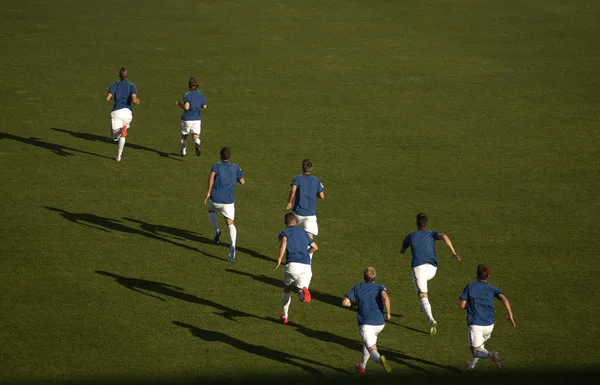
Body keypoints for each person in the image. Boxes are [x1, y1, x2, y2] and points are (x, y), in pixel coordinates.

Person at [400, 213, 462, 335]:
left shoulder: (411, 236)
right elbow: (444, 236)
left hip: (419, 269)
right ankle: (423, 305)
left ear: (417, 223)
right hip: (433, 269)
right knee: (422, 290)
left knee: (423, 295)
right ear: (426, 223)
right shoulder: (432, 234)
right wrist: (453, 252)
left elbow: (401, 251)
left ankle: (431, 319)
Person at [460, 264, 516, 370]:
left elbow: (462, 305)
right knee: (480, 347)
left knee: (475, 351)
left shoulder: (469, 287)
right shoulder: (492, 289)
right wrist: (510, 314)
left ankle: (492, 356)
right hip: (489, 325)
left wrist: (469, 307)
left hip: (476, 324)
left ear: (476, 275)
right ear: (488, 276)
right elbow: (504, 299)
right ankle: (471, 366)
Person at [342, 267, 392, 374]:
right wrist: (388, 313)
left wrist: (355, 303)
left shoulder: (358, 287)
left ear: (364, 277)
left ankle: (380, 360)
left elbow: (345, 303)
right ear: (375, 277)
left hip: (366, 325)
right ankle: (362, 366)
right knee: (367, 343)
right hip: (380, 323)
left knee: (372, 349)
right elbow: (386, 298)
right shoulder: (380, 287)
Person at [275, 212, 318, 324]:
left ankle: (285, 316)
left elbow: (284, 242)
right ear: (296, 221)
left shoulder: (285, 232)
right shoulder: (304, 233)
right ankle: (303, 293)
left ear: (286, 223)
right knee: (300, 291)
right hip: (306, 267)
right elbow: (315, 247)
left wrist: (280, 258)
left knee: (286, 288)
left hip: (292, 265)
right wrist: (306, 253)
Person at [204, 147, 245, 261]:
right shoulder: (235, 167)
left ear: (220, 156)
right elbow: (242, 182)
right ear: (230, 156)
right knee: (230, 223)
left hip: (215, 199)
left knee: (211, 211)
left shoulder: (216, 166)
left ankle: (217, 230)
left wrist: (208, 192)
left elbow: (211, 176)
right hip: (228, 202)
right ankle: (232, 246)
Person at [285, 159, 324, 259]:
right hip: (310, 214)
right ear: (311, 168)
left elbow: (293, 190)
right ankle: (307, 260)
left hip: (297, 212)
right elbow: (322, 195)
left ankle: (290, 255)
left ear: (302, 167)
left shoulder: (297, 178)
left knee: (291, 233)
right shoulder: (316, 180)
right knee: (309, 237)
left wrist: (289, 202)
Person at [105, 67, 140, 162]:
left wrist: (110, 94)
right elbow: (134, 100)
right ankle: (118, 156)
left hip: (117, 111)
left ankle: (121, 131)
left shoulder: (115, 85)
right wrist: (137, 101)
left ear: (119, 75)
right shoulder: (132, 85)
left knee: (114, 136)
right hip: (128, 112)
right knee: (123, 136)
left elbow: (107, 98)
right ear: (127, 76)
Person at [175, 77, 207, 157]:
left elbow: (186, 107)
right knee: (195, 135)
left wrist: (179, 104)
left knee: (184, 136)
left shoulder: (187, 95)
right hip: (197, 119)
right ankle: (197, 143)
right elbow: (205, 106)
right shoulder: (201, 94)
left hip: (187, 118)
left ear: (189, 85)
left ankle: (183, 152)